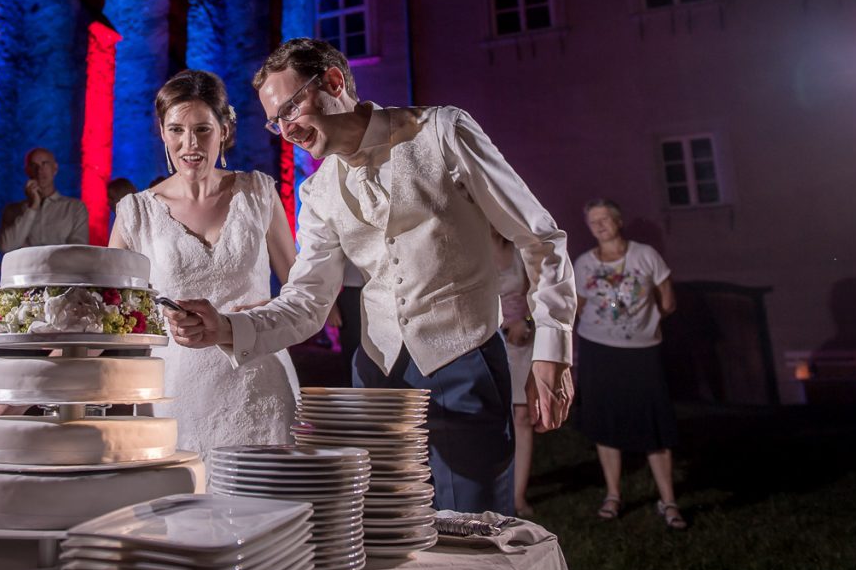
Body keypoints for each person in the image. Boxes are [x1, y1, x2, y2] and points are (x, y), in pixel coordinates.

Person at [164, 37, 577, 515]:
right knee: (382, 524)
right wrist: (226, 327)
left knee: (473, 522)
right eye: (276, 121)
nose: (287, 130)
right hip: (377, 377)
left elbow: (539, 238)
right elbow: (308, 300)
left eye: (291, 108)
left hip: (464, 358)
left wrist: (553, 348)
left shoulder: (442, 131)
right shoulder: (317, 192)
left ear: (333, 81)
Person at [110, 70, 300, 465]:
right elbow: (104, 314)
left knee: (268, 497)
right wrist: (24, 391)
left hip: (261, 386)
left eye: (202, 129)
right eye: (176, 130)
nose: (190, 144)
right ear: (162, 133)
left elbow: (303, 294)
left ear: (224, 130)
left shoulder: (259, 193)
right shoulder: (136, 213)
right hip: (179, 393)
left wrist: (266, 313)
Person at [572, 199, 686, 529]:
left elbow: (668, 300)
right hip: (598, 351)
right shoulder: (583, 263)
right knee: (605, 422)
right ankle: (613, 495)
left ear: (618, 221)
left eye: (604, 219)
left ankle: (668, 501)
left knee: (654, 423)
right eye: (593, 221)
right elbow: (578, 305)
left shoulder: (645, 255)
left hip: (641, 352)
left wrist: (643, 324)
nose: (599, 226)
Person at [493, 228, 537, 516]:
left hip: (520, 342)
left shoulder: (520, 252)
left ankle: (518, 496)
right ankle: (493, 491)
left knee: (522, 416)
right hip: (489, 340)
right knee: (492, 417)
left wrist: (526, 321)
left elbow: (536, 295)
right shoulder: (470, 247)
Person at [0, 148, 89, 251]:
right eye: (33, 165)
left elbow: (79, 250)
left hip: (61, 262)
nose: (39, 170)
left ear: (55, 168)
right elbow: (6, 246)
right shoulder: (12, 210)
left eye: (45, 164)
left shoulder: (75, 208)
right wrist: (33, 207)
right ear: (27, 170)